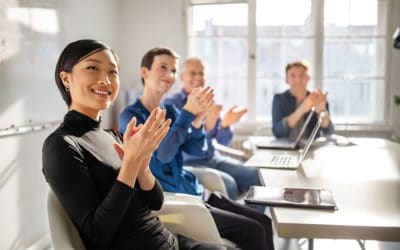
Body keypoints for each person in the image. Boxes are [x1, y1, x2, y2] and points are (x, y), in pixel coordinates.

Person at [42, 39, 232, 250]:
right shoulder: (61, 145)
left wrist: (142, 167)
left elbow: (155, 202)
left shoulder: (112, 136)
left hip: (171, 240)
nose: (106, 80)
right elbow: (99, 233)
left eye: (113, 72)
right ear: (66, 78)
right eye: (93, 67)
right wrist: (131, 163)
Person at [119, 47, 274, 250]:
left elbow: (197, 149)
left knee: (264, 222)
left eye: (173, 70)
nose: (169, 75)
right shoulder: (130, 116)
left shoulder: (171, 111)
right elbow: (163, 156)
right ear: (144, 72)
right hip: (181, 201)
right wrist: (188, 114)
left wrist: (198, 120)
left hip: (197, 192)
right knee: (255, 231)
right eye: (163, 67)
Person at [163, 58, 261, 199]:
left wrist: (225, 125)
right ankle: (235, 220)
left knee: (256, 176)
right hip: (190, 162)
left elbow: (223, 142)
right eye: (193, 73)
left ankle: (256, 220)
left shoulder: (209, 101)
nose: (198, 77)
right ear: (182, 77)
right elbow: (178, 144)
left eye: (201, 73)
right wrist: (206, 128)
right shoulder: (171, 104)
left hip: (214, 159)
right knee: (230, 184)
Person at [272, 60, 334, 140]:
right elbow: (278, 132)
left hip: (311, 149)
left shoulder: (318, 99)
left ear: (308, 78)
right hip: (286, 148)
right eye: (293, 75)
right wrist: (302, 109)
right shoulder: (279, 99)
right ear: (286, 79)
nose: (298, 80)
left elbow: (329, 132)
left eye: (301, 75)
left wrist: (321, 111)